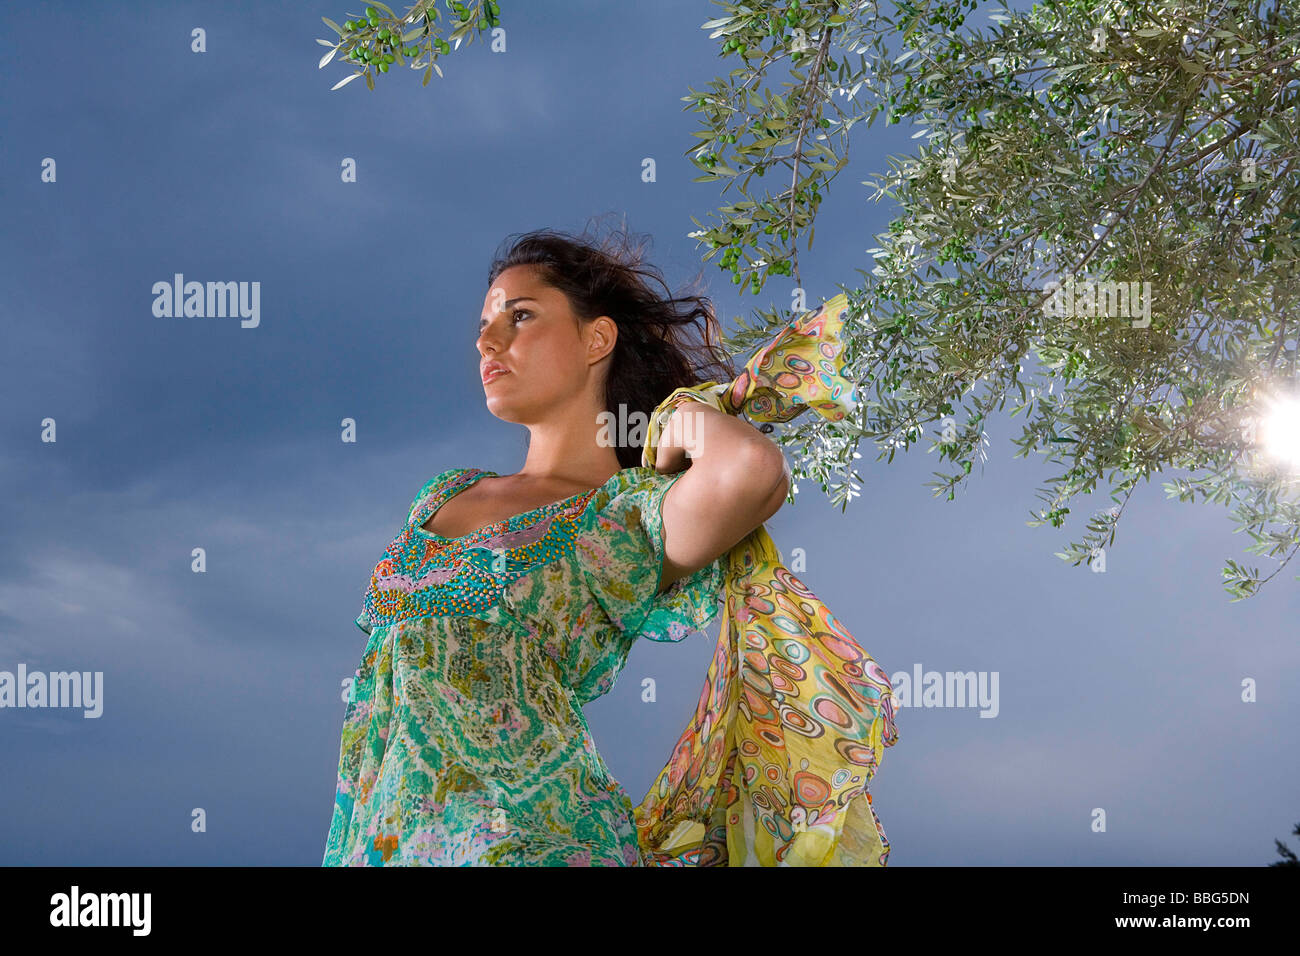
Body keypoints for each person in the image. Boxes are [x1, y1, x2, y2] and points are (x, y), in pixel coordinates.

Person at [321, 224, 793, 865]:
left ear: (596, 338)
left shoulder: (618, 519)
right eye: (484, 326)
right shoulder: (444, 495)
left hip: (537, 845)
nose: (487, 341)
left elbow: (751, 471)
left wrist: (680, 415)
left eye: (520, 317)